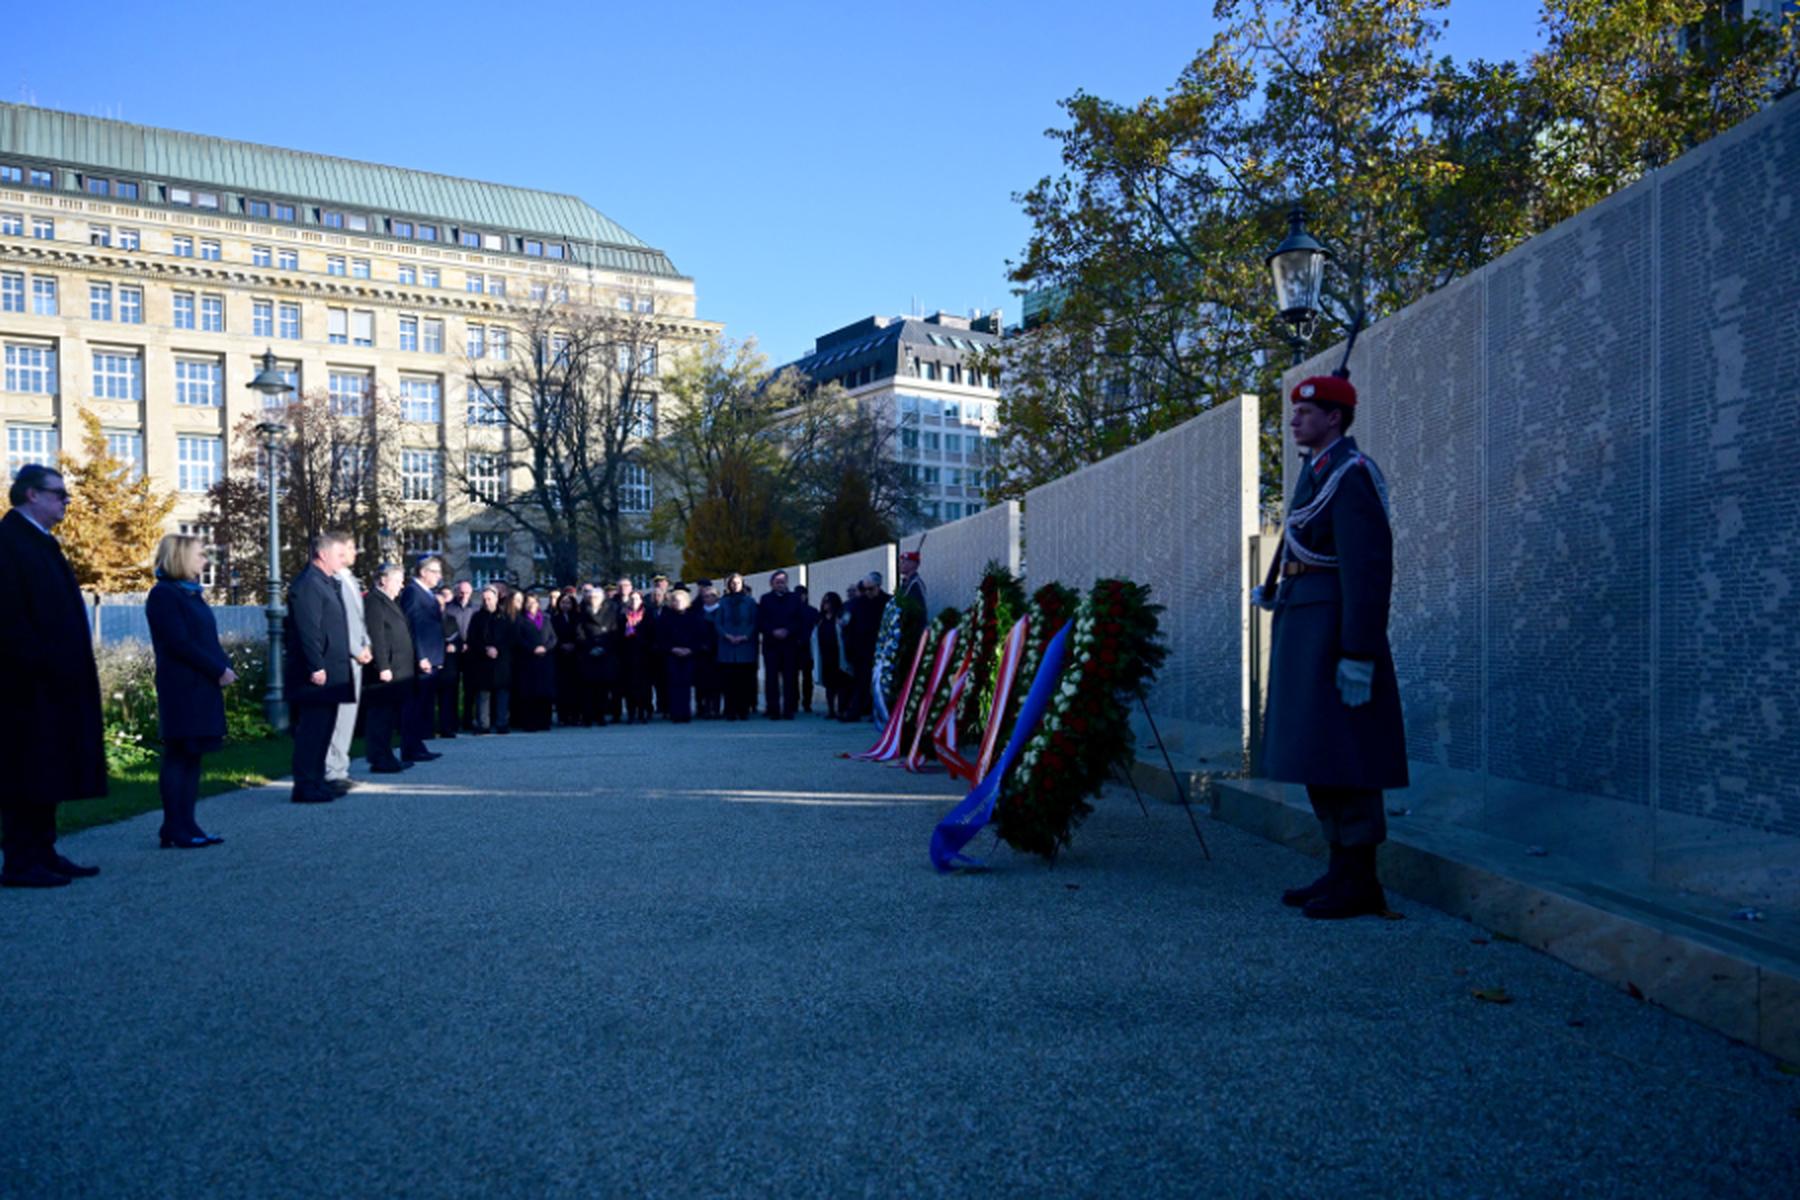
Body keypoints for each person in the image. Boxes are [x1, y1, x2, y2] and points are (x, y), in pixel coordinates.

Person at [1256, 372, 1408, 920]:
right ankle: (1340, 867)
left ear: (1334, 418)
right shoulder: (1319, 471)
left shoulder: (1351, 473)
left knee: (1348, 753)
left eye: (1306, 412)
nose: (1294, 419)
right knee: (1318, 752)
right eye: (1295, 411)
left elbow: (1368, 569)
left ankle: (1361, 878)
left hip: (1335, 631)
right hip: (1305, 623)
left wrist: (1359, 653)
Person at [0, 464, 106, 886]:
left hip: (52, 682)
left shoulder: (40, 542)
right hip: (26, 686)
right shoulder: (9, 543)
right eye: (59, 494)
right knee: (27, 769)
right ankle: (21, 861)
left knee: (49, 768)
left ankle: (43, 850)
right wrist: (41, 665)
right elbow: (9, 618)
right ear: (32, 495)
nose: (66, 501)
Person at [144, 534, 235, 849]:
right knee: (179, 753)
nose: (205, 560)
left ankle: (187, 823)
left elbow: (206, 638)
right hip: (183, 686)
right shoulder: (164, 595)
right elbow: (178, 643)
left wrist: (224, 664)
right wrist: (217, 669)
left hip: (202, 684)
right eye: (199, 554)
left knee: (192, 755)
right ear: (181, 556)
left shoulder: (191, 594)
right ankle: (174, 825)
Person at [284, 531, 355, 805]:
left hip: (331, 670)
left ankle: (317, 780)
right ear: (322, 555)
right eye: (339, 555)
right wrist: (316, 665)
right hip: (316, 672)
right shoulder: (309, 584)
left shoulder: (325, 582)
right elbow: (308, 629)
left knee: (324, 729)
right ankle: (304, 785)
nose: (343, 559)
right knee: (312, 730)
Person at [324, 534, 373, 797]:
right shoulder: (335, 581)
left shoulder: (350, 579)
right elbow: (341, 621)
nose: (355, 552)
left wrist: (366, 644)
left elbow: (359, 620)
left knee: (348, 718)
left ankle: (340, 768)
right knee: (339, 717)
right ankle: (332, 770)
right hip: (345, 656)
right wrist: (356, 648)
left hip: (358, 654)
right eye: (351, 547)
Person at [360, 563, 416, 774]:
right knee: (380, 716)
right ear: (383, 580)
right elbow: (376, 636)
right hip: (385, 671)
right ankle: (380, 758)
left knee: (387, 716)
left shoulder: (388, 601)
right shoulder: (374, 602)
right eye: (398, 581)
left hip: (397, 670)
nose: (401, 586)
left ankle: (384, 755)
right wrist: (382, 666)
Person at [398, 556, 446, 764]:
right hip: (422, 657)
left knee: (422, 705)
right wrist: (422, 656)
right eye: (435, 572)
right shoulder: (413, 592)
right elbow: (413, 626)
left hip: (431, 655)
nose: (439, 576)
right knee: (415, 704)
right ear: (423, 572)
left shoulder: (426, 593)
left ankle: (416, 745)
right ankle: (411, 747)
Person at [757, 570, 806, 721]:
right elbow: (761, 620)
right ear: (772, 584)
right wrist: (773, 631)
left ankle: (789, 709)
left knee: (790, 678)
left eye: (783, 582)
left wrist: (788, 630)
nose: (780, 584)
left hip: (789, 644)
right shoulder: (765, 599)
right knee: (771, 679)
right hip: (771, 644)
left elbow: (800, 620)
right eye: (777, 582)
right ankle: (773, 709)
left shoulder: (794, 599)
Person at [840, 574, 888, 723]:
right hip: (861, 648)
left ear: (878, 586)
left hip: (881, 648)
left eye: (870, 589)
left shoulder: (887, 602)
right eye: (864, 589)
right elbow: (847, 625)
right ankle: (855, 711)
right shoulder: (857, 603)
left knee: (880, 682)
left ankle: (878, 711)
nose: (867, 592)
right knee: (860, 681)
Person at [658, 588, 710, 724]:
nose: (678, 603)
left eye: (681, 600)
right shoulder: (666, 617)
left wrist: (691, 649)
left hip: (689, 654)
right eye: (675, 600)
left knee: (686, 684)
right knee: (674, 684)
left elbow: (701, 636)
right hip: (672, 654)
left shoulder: (694, 617)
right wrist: (673, 648)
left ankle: (685, 713)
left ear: (687, 601)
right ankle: (675, 713)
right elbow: (661, 637)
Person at [466, 585, 512, 735]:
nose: (487, 602)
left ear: (496, 598)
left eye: (489, 599)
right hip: (482, 660)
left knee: (502, 693)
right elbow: (472, 639)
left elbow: (510, 638)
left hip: (501, 661)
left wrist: (498, 649)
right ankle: (483, 724)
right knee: (483, 694)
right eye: (484, 599)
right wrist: (485, 649)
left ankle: (502, 723)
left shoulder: (505, 617)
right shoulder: (477, 617)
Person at [715, 573, 759, 721]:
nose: (735, 585)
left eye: (737, 583)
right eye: (732, 583)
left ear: (742, 584)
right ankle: (730, 710)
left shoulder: (750, 602)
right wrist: (727, 635)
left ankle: (743, 710)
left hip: (745, 646)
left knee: (744, 681)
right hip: (727, 647)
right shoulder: (723, 602)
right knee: (729, 681)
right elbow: (718, 622)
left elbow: (754, 622)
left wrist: (745, 636)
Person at [512, 592, 558, 732]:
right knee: (529, 693)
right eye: (528, 602)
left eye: (534, 602)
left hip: (545, 660)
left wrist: (545, 648)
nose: (531, 605)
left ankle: (544, 722)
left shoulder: (546, 619)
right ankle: (529, 723)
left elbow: (553, 638)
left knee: (544, 693)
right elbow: (518, 639)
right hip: (528, 661)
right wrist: (533, 649)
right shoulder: (520, 619)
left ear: (538, 603)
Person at [576, 589, 617, 725]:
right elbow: (579, 633)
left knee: (602, 688)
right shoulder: (582, 613)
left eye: (596, 597)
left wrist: (603, 647)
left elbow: (613, 632)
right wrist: (589, 647)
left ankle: (600, 715)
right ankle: (587, 716)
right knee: (587, 688)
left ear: (602, 598)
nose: (593, 599)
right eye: (591, 597)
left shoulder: (610, 613)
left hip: (605, 654)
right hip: (588, 654)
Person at [443, 580, 479, 732]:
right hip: (452, 653)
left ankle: (468, 720)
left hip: (470, 652)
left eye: (467, 592)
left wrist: (470, 644)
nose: (464, 595)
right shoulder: (449, 609)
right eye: (461, 592)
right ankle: (452, 721)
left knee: (470, 688)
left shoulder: (476, 609)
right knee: (452, 687)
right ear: (456, 592)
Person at [617, 590, 654, 723]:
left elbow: (652, 634)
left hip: (644, 655)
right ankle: (631, 712)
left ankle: (644, 711)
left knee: (644, 686)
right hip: (627, 655)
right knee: (629, 686)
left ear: (641, 601)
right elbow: (618, 635)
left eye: (637, 599)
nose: (634, 602)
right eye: (631, 599)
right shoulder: (623, 616)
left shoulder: (647, 615)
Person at [813, 591, 849, 720]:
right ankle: (831, 710)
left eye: (828, 602)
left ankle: (841, 709)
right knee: (829, 685)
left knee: (841, 684)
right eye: (824, 602)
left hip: (838, 656)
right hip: (825, 656)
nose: (825, 605)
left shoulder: (841, 617)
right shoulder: (821, 620)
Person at [551, 592, 584, 727]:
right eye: (563, 603)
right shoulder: (554, 618)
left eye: (568, 603)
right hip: (560, 656)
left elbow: (581, 634)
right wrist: (561, 645)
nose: (565, 605)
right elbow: (552, 635)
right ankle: (563, 715)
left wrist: (574, 645)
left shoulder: (578, 618)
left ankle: (576, 715)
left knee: (576, 688)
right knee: (562, 688)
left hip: (576, 656)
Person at [434, 583, 463, 739]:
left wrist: (455, 646)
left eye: (441, 604)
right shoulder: (427, 620)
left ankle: (448, 727)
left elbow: (458, 639)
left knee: (448, 699)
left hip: (449, 665)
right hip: (432, 663)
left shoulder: (451, 619)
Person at [694, 584, 722, 719]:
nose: (709, 598)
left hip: (719, 651)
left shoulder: (722, 612)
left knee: (717, 681)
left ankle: (716, 708)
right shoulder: (697, 613)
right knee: (702, 682)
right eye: (705, 596)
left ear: (717, 597)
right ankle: (703, 708)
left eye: (712, 596)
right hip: (702, 652)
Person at [793, 585, 820, 714]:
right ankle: (804, 703)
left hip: (803, 647)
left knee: (802, 677)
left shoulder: (810, 611)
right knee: (803, 677)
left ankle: (801, 702)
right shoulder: (811, 611)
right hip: (802, 647)